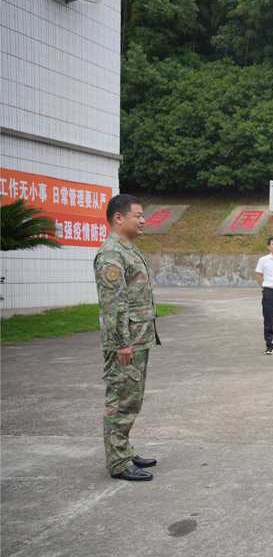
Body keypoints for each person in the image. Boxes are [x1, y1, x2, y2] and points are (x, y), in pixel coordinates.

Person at [95, 194, 160, 481]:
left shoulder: (127, 249)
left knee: (131, 400)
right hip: (126, 343)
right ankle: (118, 462)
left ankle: (123, 449)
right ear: (119, 218)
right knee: (121, 401)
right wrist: (122, 341)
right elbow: (113, 303)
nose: (143, 220)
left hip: (137, 339)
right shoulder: (112, 253)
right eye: (138, 215)